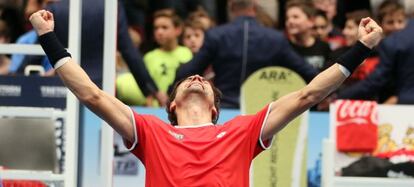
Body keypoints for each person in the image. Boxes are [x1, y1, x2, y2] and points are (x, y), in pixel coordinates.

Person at [30, 8, 382, 186]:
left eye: (204, 81)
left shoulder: (243, 132)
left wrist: (361, 48)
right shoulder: (151, 132)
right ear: (172, 105)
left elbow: (308, 94)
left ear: (215, 109)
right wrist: (47, 36)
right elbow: (91, 95)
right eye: (188, 80)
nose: (197, 76)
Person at [174, 0, 318, 108]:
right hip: (260, 112)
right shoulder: (275, 39)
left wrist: (170, 87)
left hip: (225, 108)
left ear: (231, 7)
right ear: (254, 8)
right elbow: (307, 72)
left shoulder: (216, 35)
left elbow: (189, 71)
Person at [46, 0, 168, 105]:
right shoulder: (111, 6)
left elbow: (41, 45)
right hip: (101, 86)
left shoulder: (56, 8)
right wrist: (152, 90)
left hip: (65, 83)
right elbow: (129, 51)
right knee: (99, 131)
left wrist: (36, 75)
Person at [117, 9, 192, 106]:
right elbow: (146, 87)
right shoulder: (149, 57)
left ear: (178, 30)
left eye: (164, 27)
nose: (159, 32)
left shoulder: (187, 53)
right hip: (156, 109)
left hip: (181, 107)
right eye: (156, 28)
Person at [285, 0, 332, 72]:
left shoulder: (323, 47)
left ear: (311, 21)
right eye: (287, 18)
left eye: (295, 17)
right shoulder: (283, 46)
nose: (290, 21)